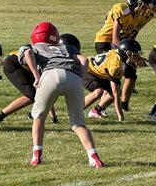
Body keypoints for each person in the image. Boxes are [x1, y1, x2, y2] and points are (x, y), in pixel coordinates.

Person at [19, 21, 103, 167]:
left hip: (50, 75)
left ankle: (37, 156)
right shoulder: (67, 47)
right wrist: (81, 79)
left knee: (39, 118)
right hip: (73, 77)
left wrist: (36, 76)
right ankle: (93, 157)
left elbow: (27, 53)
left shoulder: (32, 46)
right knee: (78, 123)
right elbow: (83, 60)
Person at [0, 33, 80, 124]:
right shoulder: (53, 59)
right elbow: (47, 88)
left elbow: (47, 90)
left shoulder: (50, 52)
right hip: (14, 63)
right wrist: (53, 117)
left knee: (39, 92)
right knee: (32, 95)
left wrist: (53, 117)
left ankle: (32, 114)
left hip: (19, 63)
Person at [94, 0, 156, 112]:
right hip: (105, 42)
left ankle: (124, 105)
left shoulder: (139, 15)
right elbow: (115, 39)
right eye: (144, 5)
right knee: (113, 75)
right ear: (136, 2)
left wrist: (133, 51)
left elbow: (132, 35)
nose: (147, 9)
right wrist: (125, 53)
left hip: (121, 45)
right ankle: (99, 108)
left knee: (131, 74)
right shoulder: (122, 9)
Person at [85, 39, 146, 121]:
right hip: (88, 70)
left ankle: (95, 111)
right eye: (134, 56)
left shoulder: (119, 55)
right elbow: (115, 94)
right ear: (125, 54)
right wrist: (120, 116)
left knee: (114, 92)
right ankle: (75, 112)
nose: (136, 58)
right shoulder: (116, 66)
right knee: (99, 92)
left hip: (99, 73)